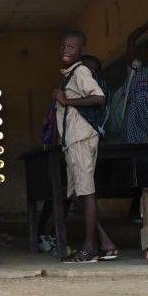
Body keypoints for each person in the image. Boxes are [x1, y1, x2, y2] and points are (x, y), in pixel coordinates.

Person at [53, 31, 118, 263]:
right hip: (73, 141)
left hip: (81, 139)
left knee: (86, 193)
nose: (65, 51)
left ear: (81, 51)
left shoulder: (80, 71)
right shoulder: (68, 75)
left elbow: (98, 97)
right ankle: (106, 243)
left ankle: (90, 248)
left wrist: (67, 100)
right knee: (79, 194)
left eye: (71, 48)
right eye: (63, 47)